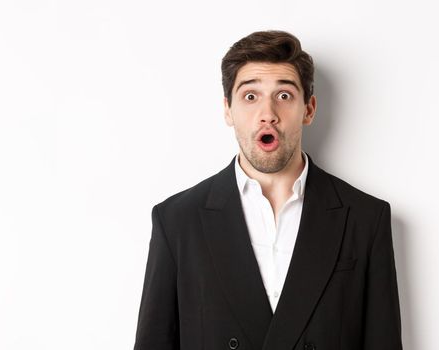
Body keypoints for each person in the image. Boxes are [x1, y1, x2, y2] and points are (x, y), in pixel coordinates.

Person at [133, 30, 403, 350]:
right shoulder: (177, 222)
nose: (268, 114)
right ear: (227, 110)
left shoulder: (365, 220)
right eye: (250, 96)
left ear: (309, 109)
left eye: (284, 95)